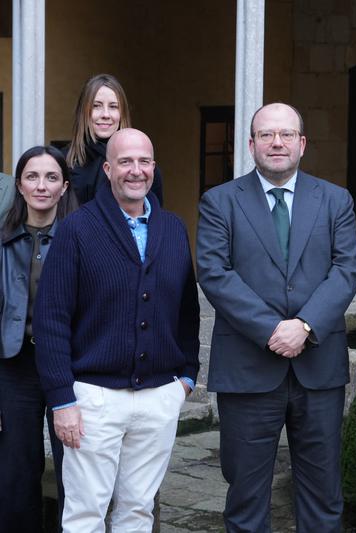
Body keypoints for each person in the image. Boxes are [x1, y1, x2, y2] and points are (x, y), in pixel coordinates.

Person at [196, 102, 356, 532]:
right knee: (247, 497)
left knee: (324, 496)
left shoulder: (335, 200)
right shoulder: (219, 203)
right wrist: (272, 330)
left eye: (286, 134)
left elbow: (346, 271)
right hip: (249, 369)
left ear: (302, 143)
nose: (276, 142)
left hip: (318, 369)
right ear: (250, 144)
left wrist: (305, 326)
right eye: (266, 135)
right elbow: (214, 273)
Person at [33, 128, 199, 532]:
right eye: (125, 162)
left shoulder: (173, 229)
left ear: (153, 168)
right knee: (85, 514)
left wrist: (186, 380)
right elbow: (51, 319)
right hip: (93, 401)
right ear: (108, 169)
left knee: (138, 512)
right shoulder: (77, 230)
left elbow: (187, 313)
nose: (135, 171)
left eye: (144, 162)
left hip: (159, 396)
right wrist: (62, 401)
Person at [0, 146, 77, 532]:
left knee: (74, 469)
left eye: (51, 177)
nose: (41, 186)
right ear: (19, 185)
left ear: (64, 187)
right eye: (32, 177)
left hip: (68, 367)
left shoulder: (81, 239)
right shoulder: (2, 238)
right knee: (16, 469)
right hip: (14, 367)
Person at [64, 73, 163, 205]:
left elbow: (153, 217)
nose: (105, 114)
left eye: (113, 107)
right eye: (96, 106)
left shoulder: (142, 166)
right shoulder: (63, 162)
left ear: (122, 114)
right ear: (83, 112)